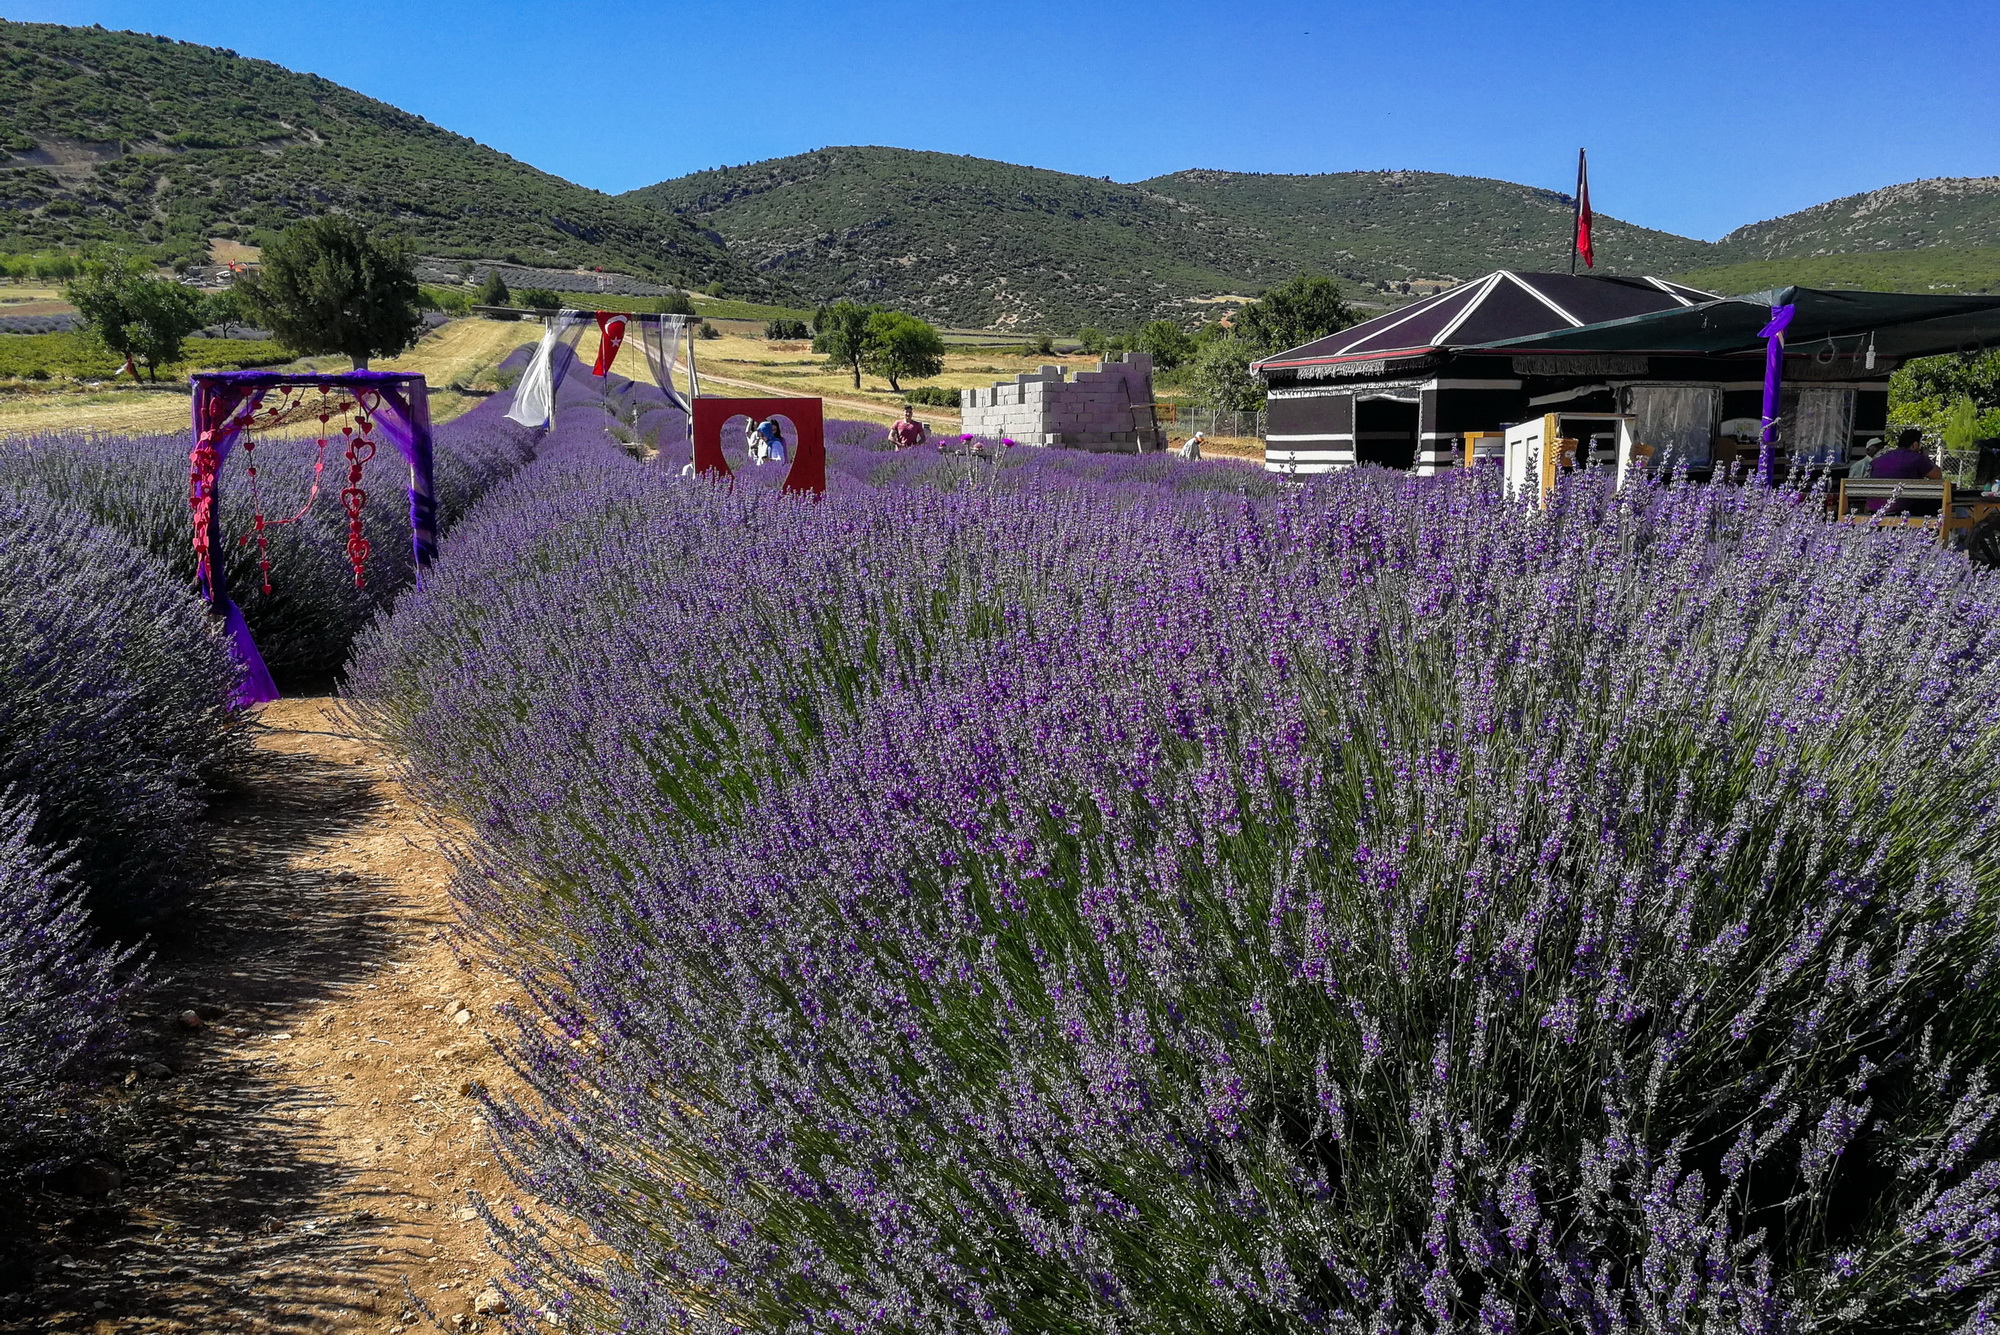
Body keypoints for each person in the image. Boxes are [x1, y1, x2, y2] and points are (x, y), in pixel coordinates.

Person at [1866, 428, 1942, 514]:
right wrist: (1925, 457)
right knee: (1938, 501)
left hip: (1875, 509)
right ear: (1915, 445)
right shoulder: (1917, 458)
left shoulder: (1878, 460)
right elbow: (1937, 476)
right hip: (1902, 509)